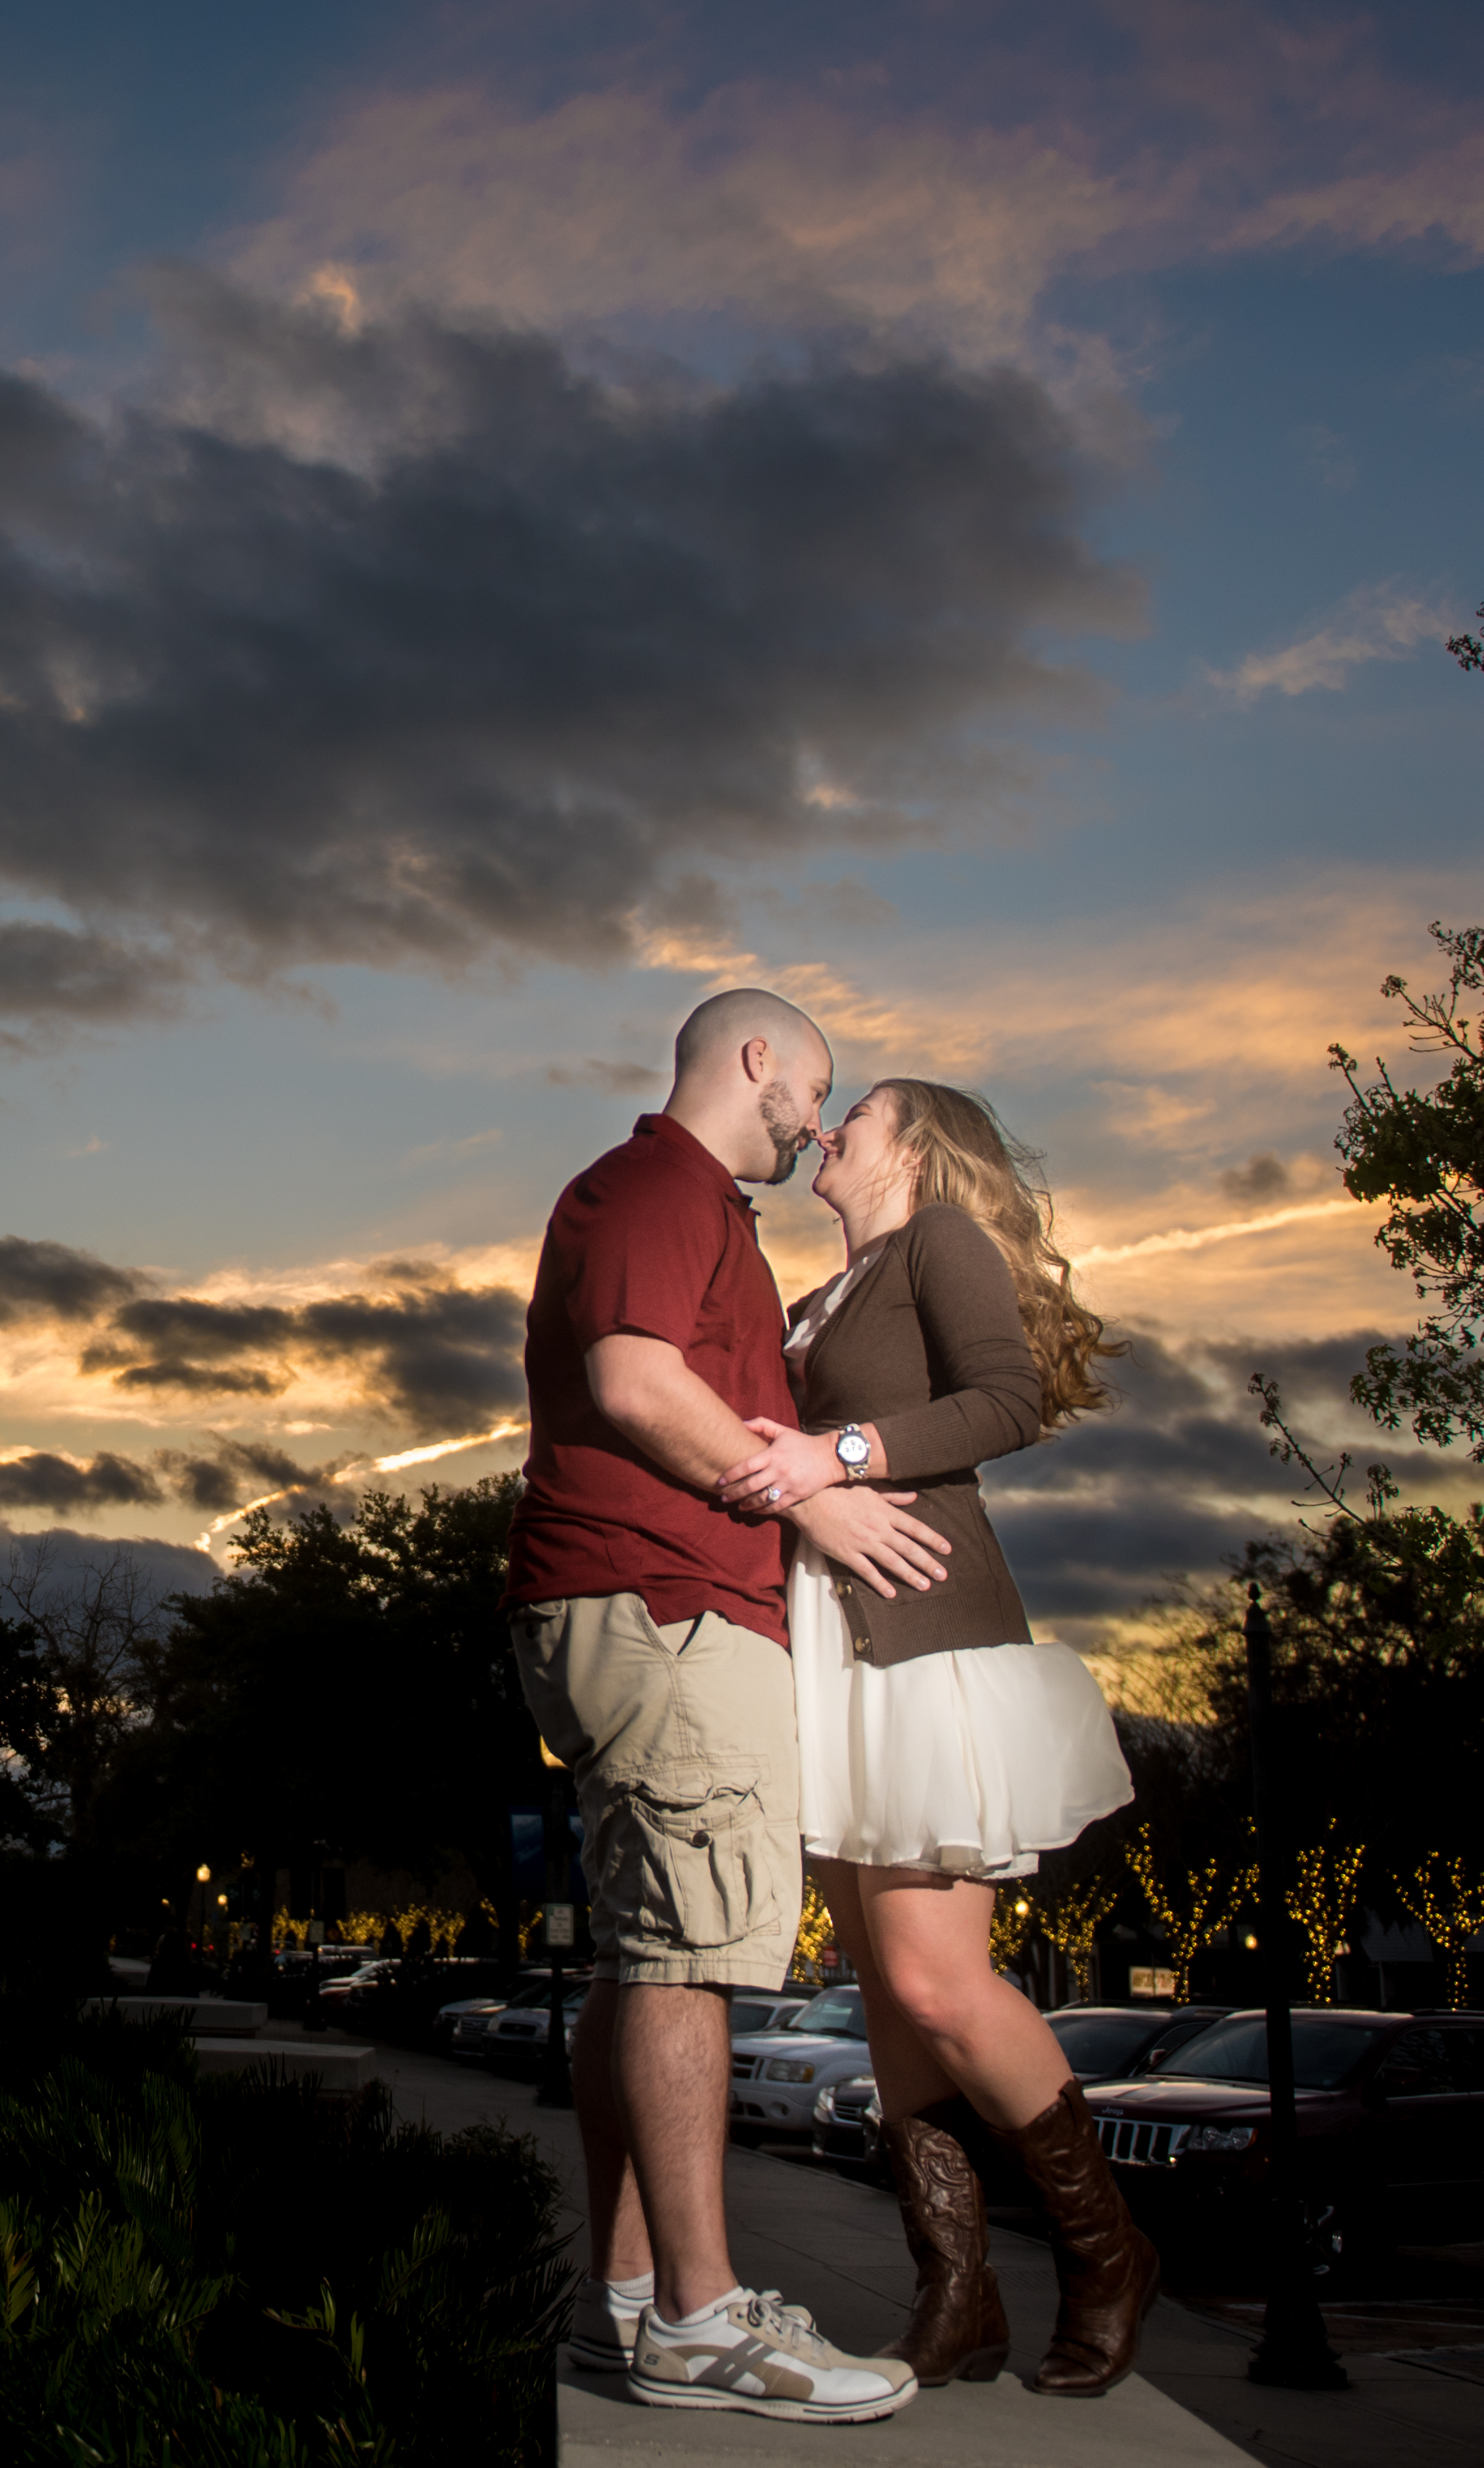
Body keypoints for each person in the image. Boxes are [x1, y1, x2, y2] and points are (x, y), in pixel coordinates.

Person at [502, 990, 956, 2424]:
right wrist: (813, 1496)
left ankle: (626, 2301)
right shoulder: (658, 1185)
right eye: (811, 1087)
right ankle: (702, 2323)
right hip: (666, 1604)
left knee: (651, 1953)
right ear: (752, 1059)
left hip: (653, 1604)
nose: (817, 1120)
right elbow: (632, 1380)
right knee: (688, 1955)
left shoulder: (695, 1210)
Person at [714, 1079, 1148, 2396]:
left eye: (859, 1111)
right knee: (886, 2006)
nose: (830, 1127)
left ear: (918, 1150)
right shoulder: (823, 1293)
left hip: (924, 1640)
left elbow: (1006, 1400)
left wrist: (834, 1450)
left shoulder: (934, 1246)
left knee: (931, 1984)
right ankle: (954, 2291)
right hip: (835, 1655)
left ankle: (1109, 2251)